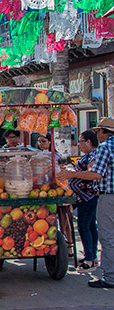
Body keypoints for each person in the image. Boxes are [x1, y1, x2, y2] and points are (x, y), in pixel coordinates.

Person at [59, 117, 114, 288]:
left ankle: (110, 278)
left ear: (103, 132)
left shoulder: (105, 147)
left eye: (99, 131)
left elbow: (97, 174)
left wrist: (71, 174)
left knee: (107, 237)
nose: (98, 134)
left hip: (108, 196)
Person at [67, 130, 100, 271]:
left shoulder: (93, 155)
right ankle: (92, 255)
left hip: (88, 197)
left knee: (84, 226)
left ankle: (89, 259)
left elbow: (91, 173)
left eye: (80, 141)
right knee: (91, 225)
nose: (78, 144)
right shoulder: (89, 155)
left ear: (88, 142)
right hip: (86, 197)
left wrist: (73, 174)